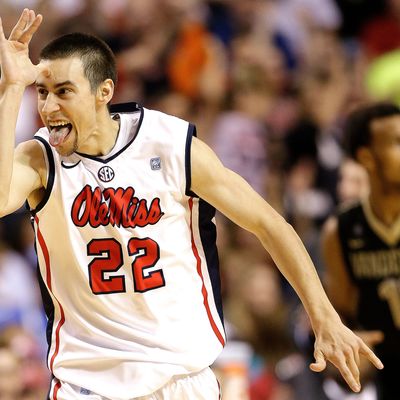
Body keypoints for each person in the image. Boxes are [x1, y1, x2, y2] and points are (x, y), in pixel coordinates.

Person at [0, 9, 383, 400]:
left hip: (180, 377)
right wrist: (12, 87)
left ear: (104, 92)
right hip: (88, 382)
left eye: (64, 91)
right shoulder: (40, 158)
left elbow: (270, 224)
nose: (48, 107)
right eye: (42, 92)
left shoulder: (170, 146)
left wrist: (325, 319)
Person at [322, 102, 400, 400]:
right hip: (384, 373)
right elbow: (343, 318)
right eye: (397, 143)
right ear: (367, 157)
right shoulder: (339, 230)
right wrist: (351, 352)